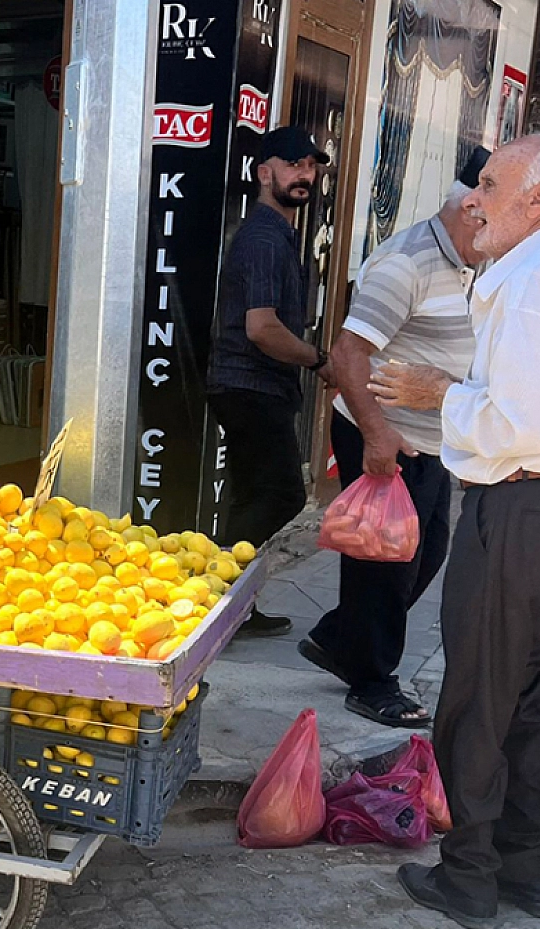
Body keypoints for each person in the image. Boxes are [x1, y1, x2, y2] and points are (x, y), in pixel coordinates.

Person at [368, 133, 540, 929]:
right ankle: (529, 866)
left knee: (479, 696)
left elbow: (513, 422)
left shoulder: (531, 282)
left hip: (518, 504)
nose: (473, 198)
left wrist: (435, 387)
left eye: (490, 184)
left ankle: (471, 875)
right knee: (521, 692)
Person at [298, 150, 490, 728]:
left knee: (425, 554)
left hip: (431, 441)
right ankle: (372, 682)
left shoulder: (464, 263)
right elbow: (346, 353)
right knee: (383, 564)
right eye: (488, 221)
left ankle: (341, 638)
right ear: (468, 209)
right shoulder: (407, 263)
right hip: (386, 437)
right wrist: (379, 437)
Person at [206, 125, 335, 637]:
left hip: (253, 387)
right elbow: (262, 328)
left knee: (250, 498)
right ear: (265, 173)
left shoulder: (279, 234)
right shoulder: (263, 237)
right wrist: (319, 360)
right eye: (292, 165)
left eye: (310, 166)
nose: (304, 175)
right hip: (250, 385)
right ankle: (214, 599)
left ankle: (228, 609)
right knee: (282, 495)